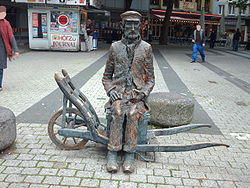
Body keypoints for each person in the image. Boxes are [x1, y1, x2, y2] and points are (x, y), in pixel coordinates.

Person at [102, 11, 155, 174]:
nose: (132, 28)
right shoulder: (115, 47)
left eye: (135, 24)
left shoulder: (146, 48)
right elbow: (106, 77)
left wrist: (143, 93)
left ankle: (129, 155)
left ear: (140, 26)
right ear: (122, 26)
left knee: (132, 113)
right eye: (129, 24)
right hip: (119, 94)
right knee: (117, 111)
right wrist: (111, 91)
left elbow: (151, 79)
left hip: (136, 96)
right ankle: (112, 153)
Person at [0, 6, 19, 91]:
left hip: (2, 49)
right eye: (1, 13)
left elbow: (11, 36)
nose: (3, 15)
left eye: (4, 13)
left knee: (0, 68)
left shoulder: (6, 23)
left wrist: (16, 50)